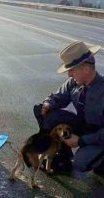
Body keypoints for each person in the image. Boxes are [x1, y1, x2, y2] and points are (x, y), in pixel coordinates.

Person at [36, 41, 104, 175]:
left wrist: (81, 141)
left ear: (85, 69)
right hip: (83, 126)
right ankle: (60, 154)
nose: (69, 75)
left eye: (72, 70)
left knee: (80, 163)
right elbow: (57, 97)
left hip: (99, 133)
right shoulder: (74, 82)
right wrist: (48, 103)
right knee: (46, 113)